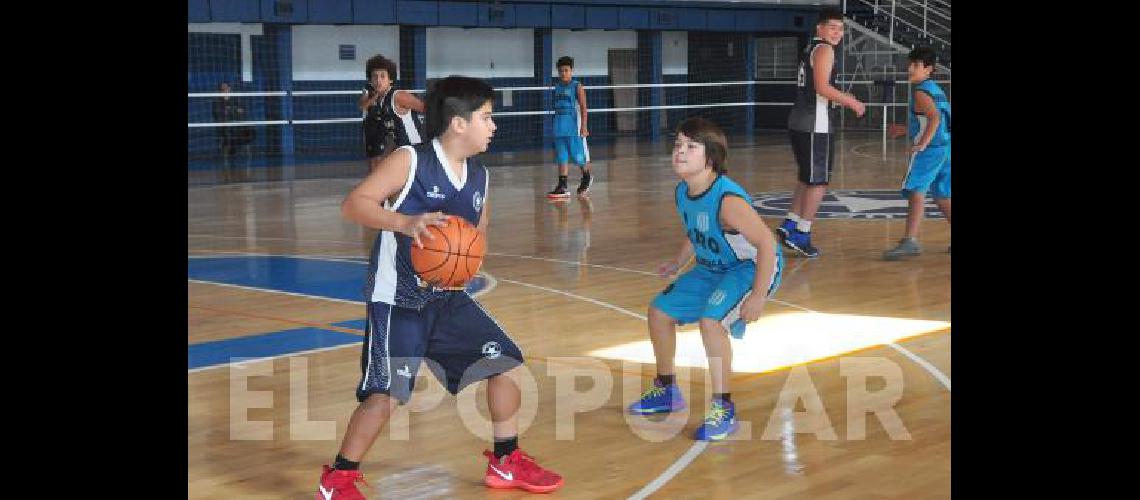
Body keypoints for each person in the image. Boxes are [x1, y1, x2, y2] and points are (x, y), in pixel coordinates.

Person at [317, 76, 564, 499]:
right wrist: (405, 223)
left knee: (503, 362)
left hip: (448, 297)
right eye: (487, 117)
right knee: (387, 394)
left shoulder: (480, 176)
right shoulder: (409, 161)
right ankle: (338, 478)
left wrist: (467, 258)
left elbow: (478, 232)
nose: (494, 126)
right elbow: (354, 204)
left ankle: (505, 461)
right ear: (457, 123)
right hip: (399, 299)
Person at [627, 117, 784, 441]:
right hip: (713, 265)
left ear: (709, 158)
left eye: (690, 147)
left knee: (711, 322)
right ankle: (667, 390)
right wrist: (678, 261)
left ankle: (723, 408)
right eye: (677, 145)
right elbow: (695, 230)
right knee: (659, 312)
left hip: (748, 268)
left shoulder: (728, 201)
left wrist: (758, 296)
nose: (680, 152)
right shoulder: (684, 191)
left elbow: (767, 244)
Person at [778, 8, 866, 258]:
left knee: (807, 177)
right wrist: (852, 102)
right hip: (814, 124)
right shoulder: (825, 49)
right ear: (819, 28)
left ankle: (790, 223)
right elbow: (822, 87)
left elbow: (819, 88)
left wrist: (842, 96)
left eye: (841, 28)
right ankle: (802, 234)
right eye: (832, 27)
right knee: (819, 181)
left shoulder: (811, 47)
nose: (837, 33)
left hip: (800, 120)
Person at [883, 46, 951, 260]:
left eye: (916, 65)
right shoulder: (936, 89)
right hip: (945, 148)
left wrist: (921, 144)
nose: (910, 69)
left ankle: (910, 241)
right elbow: (936, 120)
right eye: (909, 64)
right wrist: (905, 130)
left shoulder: (921, 91)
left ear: (929, 68)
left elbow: (934, 118)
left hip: (931, 150)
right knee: (942, 196)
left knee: (915, 190)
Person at [360, 54, 426, 172]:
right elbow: (393, 133)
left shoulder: (398, 96)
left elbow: (427, 109)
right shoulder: (380, 101)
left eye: (382, 76)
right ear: (370, 80)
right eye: (375, 77)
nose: (378, 80)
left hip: (416, 150)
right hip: (402, 150)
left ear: (390, 79)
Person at [545, 56, 593, 198]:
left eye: (566, 70)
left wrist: (584, 126)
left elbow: (584, 108)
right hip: (559, 124)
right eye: (561, 71)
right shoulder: (557, 87)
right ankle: (562, 185)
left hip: (573, 125)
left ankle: (586, 176)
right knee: (561, 155)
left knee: (578, 155)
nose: (563, 73)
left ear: (571, 71)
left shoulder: (577, 86)